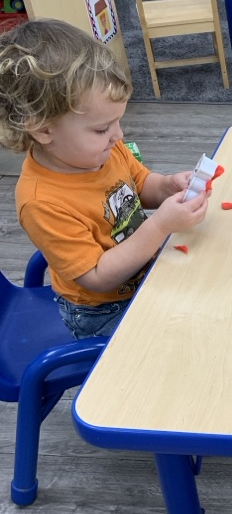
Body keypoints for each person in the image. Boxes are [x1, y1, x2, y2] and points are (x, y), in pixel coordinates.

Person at [0, 18, 210, 339]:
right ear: (43, 129)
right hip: (102, 310)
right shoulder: (41, 202)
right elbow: (98, 277)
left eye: (117, 122)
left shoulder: (103, 151)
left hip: (142, 274)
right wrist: (161, 225)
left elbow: (140, 186)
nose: (118, 135)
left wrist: (167, 186)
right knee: (185, 336)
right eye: (102, 128)